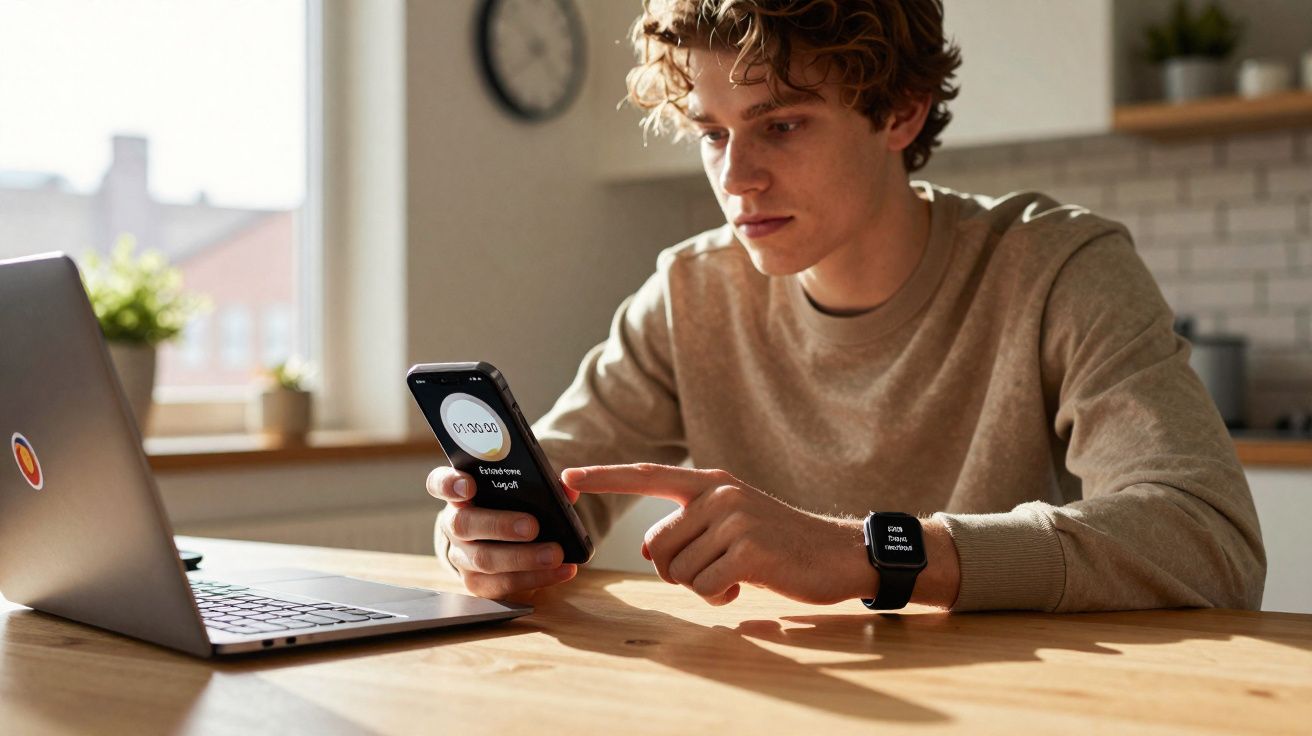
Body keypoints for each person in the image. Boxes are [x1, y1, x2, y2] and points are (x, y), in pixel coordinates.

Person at [427, 0, 1265, 612]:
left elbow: (1207, 540)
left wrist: (875, 553)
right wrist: (483, 536)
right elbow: (556, 470)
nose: (735, 178)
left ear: (899, 111)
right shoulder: (690, 294)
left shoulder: (1057, 268)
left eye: (781, 125)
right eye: (712, 133)